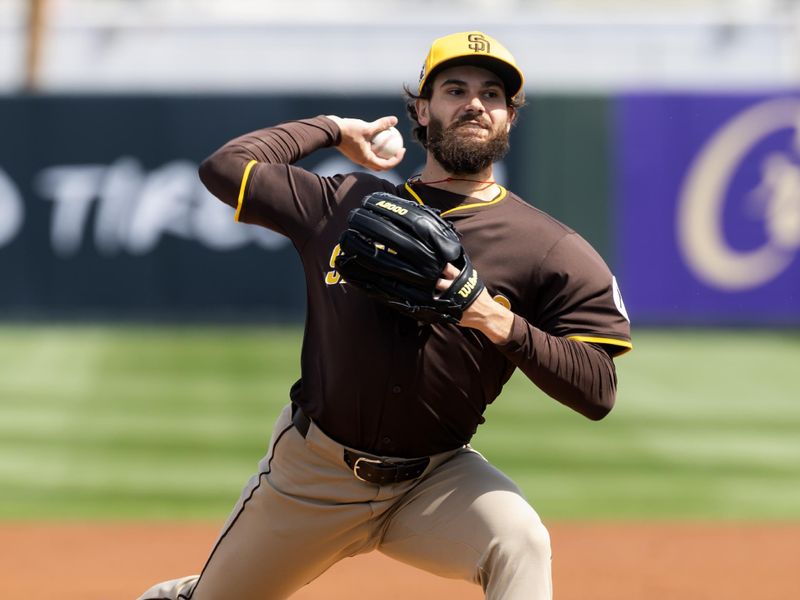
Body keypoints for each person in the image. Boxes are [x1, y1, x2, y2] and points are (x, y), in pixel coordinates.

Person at [137, 30, 632, 600]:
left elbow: (598, 390)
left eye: (492, 94)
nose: (475, 103)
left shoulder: (549, 248)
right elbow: (226, 167)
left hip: (438, 478)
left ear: (509, 116)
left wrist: (500, 323)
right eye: (454, 89)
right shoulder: (344, 202)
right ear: (422, 110)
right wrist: (333, 129)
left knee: (521, 542)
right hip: (314, 475)